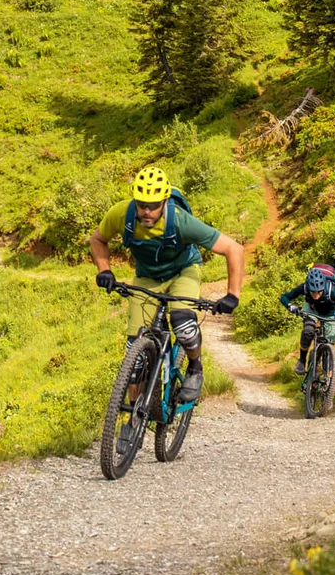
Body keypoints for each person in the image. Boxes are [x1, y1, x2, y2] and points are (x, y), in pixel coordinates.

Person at [90, 166, 244, 403]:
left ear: (164, 201)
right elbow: (98, 239)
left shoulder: (181, 221)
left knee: (184, 326)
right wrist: (104, 270)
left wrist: (232, 295)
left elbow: (233, 249)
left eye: (153, 205)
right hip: (147, 277)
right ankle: (134, 417)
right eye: (141, 204)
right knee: (134, 357)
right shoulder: (122, 214)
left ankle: (195, 368)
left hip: (183, 272)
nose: (147, 211)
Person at [280, 263, 335, 375]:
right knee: (308, 332)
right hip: (312, 309)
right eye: (313, 292)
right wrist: (291, 306)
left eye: (319, 292)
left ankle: (326, 377)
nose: (316, 295)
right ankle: (302, 361)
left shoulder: (333, 291)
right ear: (309, 287)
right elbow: (284, 297)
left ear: (323, 288)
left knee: (329, 342)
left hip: (330, 312)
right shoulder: (304, 287)